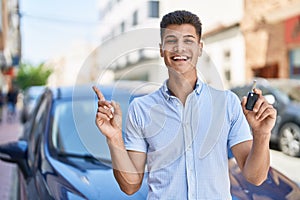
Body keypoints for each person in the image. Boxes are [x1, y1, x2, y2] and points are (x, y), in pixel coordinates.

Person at [93, 10, 276, 199]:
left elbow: (255, 177)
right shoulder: (141, 109)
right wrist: (114, 138)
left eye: (188, 40)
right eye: (171, 40)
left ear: (199, 48)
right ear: (161, 49)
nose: (180, 48)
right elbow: (130, 186)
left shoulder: (226, 103)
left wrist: (261, 135)